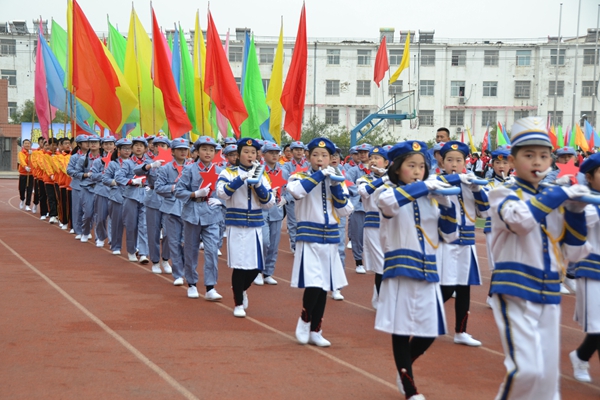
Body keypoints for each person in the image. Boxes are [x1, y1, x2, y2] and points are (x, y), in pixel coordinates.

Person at [487, 116, 591, 400]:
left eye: (544, 156)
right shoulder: (502, 192)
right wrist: (559, 194)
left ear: (550, 161)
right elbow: (520, 221)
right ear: (512, 159)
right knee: (526, 371)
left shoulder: (555, 196)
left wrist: (576, 210)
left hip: (548, 292)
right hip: (515, 289)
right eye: (529, 155)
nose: (537, 162)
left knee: (547, 379)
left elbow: (574, 251)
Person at [376, 140, 458, 400]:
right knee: (401, 330)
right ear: (398, 168)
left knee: (431, 330)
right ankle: (410, 387)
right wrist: (423, 187)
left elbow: (451, 235)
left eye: (422, 166)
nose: (417, 170)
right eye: (411, 165)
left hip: (428, 270)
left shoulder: (431, 198)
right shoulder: (387, 192)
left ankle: (404, 370)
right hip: (400, 269)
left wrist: (446, 205)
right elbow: (389, 205)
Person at [288, 138, 353, 347]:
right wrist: (318, 175)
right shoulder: (299, 176)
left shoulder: (337, 178)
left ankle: (317, 329)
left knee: (324, 285)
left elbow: (345, 209)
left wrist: (334, 184)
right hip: (309, 236)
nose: (320, 159)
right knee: (314, 283)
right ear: (308, 157)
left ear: (331, 159)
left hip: (331, 238)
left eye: (325, 156)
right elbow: (297, 192)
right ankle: (305, 319)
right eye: (316, 155)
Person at [436, 141, 489, 347]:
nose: (454, 164)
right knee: (446, 287)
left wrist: (476, 189)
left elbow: (485, 213)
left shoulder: (471, 182)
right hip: (445, 242)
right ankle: (421, 318)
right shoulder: (436, 180)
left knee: (464, 288)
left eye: (459, 160)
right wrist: (457, 179)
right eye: (450, 160)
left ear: (465, 161)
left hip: (467, 242)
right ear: (442, 161)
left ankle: (461, 331)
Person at [216, 138, 275, 317]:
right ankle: (238, 303)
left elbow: (269, 202)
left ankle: (240, 289)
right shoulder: (228, 172)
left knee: (257, 266)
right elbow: (222, 193)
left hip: (255, 224)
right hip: (236, 223)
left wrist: (257, 184)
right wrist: (240, 179)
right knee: (239, 265)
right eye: (246, 152)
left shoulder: (262, 174)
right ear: (238, 154)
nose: (249, 155)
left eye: (253, 152)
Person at [176, 136, 225, 301]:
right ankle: (191, 283)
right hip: (192, 213)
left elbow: (226, 190)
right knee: (190, 250)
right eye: (204, 149)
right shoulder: (189, 169)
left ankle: (210, 287)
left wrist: (221, 200)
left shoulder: (220, 170)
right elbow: (178, 190)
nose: (208, 153)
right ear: (196, 151)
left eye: (212, 150)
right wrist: (194, 194)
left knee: (212, 251)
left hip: (212, 214)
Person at [569, 153, 600, 383]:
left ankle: (580, 355)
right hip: (592, 269)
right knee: (598, 327)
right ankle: (580, 356)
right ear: (588, 177)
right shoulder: (586, 203)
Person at [357, 146, 390, 308]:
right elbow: (364, 192)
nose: (373, 161)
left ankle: (378, 296)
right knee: (381, 264)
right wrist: (384, 179)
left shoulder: (394, 180)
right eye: (372, 158)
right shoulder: (365, 179)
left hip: (392, 225)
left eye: (377, 158)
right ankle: (382, 300)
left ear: (386, 162)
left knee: (390, 264)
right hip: (373, 225)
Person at [156, 138, 190, 286]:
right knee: (173, 241)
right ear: (173, 152)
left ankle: (188, 271)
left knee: (188, 243)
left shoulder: (192, 167)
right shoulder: (165, 168)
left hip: (189, 208)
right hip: (171, 208)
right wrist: (173, 188)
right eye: (179, 149)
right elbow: (158, 188)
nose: (183, 152)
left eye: (185, 149)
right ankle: (178, 273)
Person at [137, 136, 172, 274]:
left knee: (170, 232)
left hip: (170, 199)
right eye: (157, 145)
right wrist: (150, 166)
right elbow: (137, 171)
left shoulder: (173, 163)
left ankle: (166, 259)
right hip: (153, 198)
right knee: (153, 232)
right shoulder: (148, 161)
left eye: (163, 145)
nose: (160, 147)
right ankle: (156, 261)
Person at [115, 137, 150, 264]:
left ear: (145, 149)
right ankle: (131, 250)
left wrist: (150, 186)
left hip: (146, 195)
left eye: (141, 145)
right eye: (136, 145)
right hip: (131, 195)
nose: (138, 148)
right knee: (131, 225)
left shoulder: (149, 162)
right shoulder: (128, 163)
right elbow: (119, 177)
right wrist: (131, 181)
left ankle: (143, 253)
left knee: (144, 225)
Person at [255, 141, 284, 286]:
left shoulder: (283, 170)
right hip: (261, 209)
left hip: (277, 210)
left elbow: (290, 188)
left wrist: (286, 198)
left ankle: (268, 272)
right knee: (264, 242)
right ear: (263, 154)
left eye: (276, 153)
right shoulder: (258, 170)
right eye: (271, 152)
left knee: (273, 244)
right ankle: (258, 271)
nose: (274, 155)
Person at [345, 143, 373, 274]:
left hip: (374, 207)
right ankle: (358, 262)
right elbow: (349, 185)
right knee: (357, 235)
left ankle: (374, 260)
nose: (362, 154)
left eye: (365, 152)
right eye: (360, 152)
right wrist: (361, 193)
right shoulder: (353, 171)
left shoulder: (376, 170)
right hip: (359, 206)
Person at [103, 139, 132, 255]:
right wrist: (117, 182)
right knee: (117, 223)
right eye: (124, 148)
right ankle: (116, 245)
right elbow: (105, 179)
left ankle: (135, 247)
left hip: (132, 196)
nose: (127, 150)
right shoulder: (113, 164)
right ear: (118, 150)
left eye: (129, 148)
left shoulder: (135, 163)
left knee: (133, 223)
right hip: (117, 196)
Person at [281, 141, 309, 253]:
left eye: (301, 149)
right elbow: (286, 182)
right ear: (292, 151)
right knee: (293, 223)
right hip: (291, 198)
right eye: (296, 149)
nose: (299, 151)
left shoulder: (308, 165)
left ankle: (304, 243)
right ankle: (294, 244)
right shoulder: (287, 166)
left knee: (305, 221)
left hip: (305, 198)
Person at [90, 136, 115, 247]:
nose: (108, 146)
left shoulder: (119, 161)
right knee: (100, 217)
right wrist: (104, 175)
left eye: (111, 144)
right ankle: (100, 236)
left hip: (115, 191)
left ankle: (112, 239)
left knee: (114, 218)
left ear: (115, 146)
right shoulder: (98, 161)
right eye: (106, 144)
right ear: (102, 146)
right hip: (101, 191)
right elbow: (93, 176)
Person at [76, 136, 102, 242]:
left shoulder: (105, 159)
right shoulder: (83, 159)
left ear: (100, 145)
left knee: (100, 215)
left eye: (95, 142)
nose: (93, 144)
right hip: (87, 188)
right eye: (91, 142)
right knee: (87, 213)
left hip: (100, 188)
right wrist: (86, 175)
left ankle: (99, 236)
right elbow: (76, 173)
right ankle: (85, 232)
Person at [18, 139, 34, 211]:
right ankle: (22, 199)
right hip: (23, 173)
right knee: (21, 189)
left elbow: (34, 161)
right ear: (23, 145)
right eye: (25, 143)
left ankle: (27, 204)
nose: (27, 145)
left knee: (29, 189)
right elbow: (22, 161)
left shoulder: (32, 153)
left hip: (30, 174)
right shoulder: (21, 153)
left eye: (28, 143)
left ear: (30, 145)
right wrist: (25, 166)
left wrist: (31, 155)